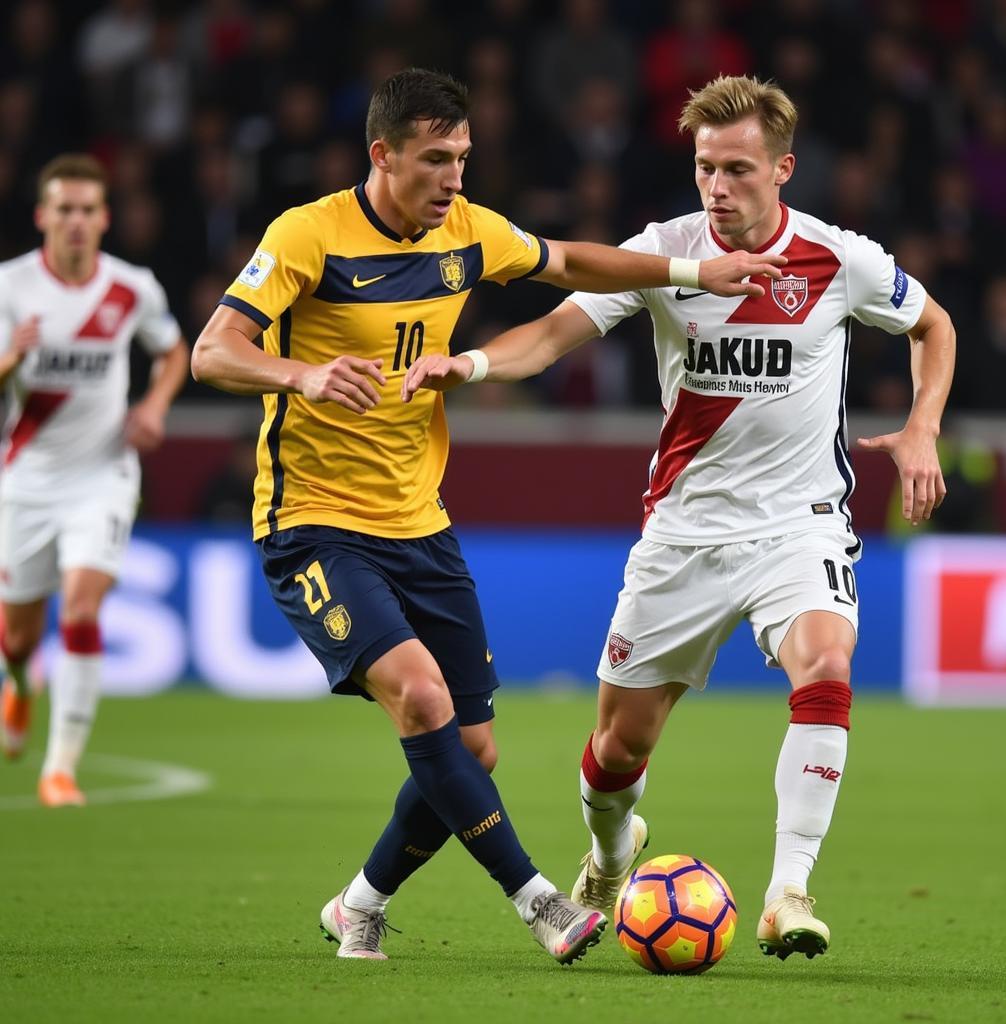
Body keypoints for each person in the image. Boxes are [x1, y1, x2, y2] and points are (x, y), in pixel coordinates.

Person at [191, 67, 784, 966]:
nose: (454, 179)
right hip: (312, 521)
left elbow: (571, 261)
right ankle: (539, 900)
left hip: (418, 522)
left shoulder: (466, 231)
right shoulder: (307, 236)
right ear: (381, 155)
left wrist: (698, 270)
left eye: (463, 158)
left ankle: (359, 904)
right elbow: (214, 351)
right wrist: (301, 374)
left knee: (472, 748)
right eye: (435, 160)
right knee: (421, 699)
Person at [403, 74, 956, 961]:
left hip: (799, 524)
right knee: (619, 748)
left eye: (737, 169)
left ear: (783, 168)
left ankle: (789, 890)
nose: (717, 187)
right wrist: (463, 366)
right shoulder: (665, 253)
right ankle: (612, 854)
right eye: (705, 168)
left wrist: (925, 426)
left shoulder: (837, 257)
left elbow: (935, 325)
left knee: (827, 662)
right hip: (684, 535)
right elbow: (549, 335)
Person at [0, 153, 189, 805]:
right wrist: (10, 361)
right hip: (25, 477)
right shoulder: (10, 287)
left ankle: (60, 769)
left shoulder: (130, 287)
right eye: (65, 209)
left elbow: (173, 351)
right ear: (42, 216)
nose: (76, 221)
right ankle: (20, 684)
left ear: (104, 218)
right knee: (17, 636)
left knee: (81, 607)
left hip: (103, 472)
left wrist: (153, 407)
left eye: (87, 210)